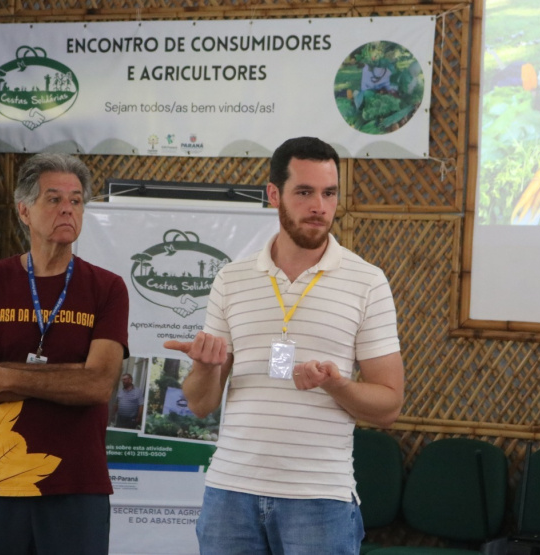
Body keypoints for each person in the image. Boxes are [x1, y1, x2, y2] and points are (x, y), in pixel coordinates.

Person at [164, 136, 404, 554]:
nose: (320, 206)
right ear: (274, 194)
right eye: (305, 192)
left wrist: (336, 385)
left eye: (329, 193)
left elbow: (389, 406)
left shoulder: (367, 281)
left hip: (320, 499)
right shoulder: (232, 279)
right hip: (229, 493)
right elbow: (200, 406)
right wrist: (204, 366)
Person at [0, 153, 129, 555]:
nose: (67, 208)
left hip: (78, 482)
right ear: (24, 210)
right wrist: (67, 376)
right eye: (54, 199)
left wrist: (7, 376)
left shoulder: (107, 288)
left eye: (76, 200)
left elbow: (99, 385)